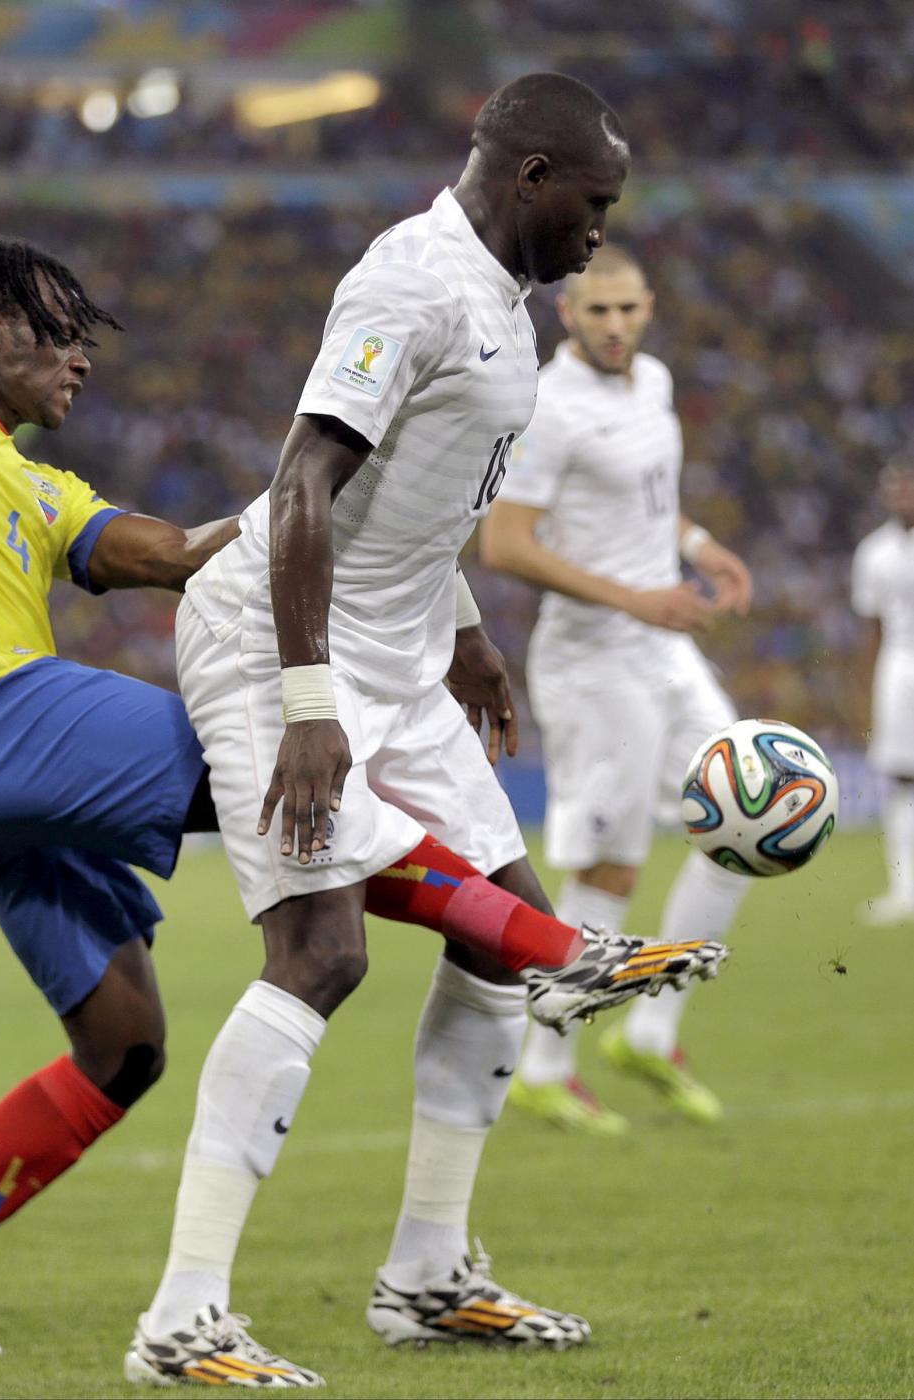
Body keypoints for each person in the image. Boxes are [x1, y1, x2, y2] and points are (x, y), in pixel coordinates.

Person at [0, 234, 656, 1357]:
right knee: (278, 765)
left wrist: (339, 493)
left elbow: (178, 552)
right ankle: (553, 947)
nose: (83, 359)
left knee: (123, 1044)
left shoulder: (42, 488)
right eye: (64, 335)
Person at [127, 74, 727, 1389]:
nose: (600, 232)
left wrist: (460, 629)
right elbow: (303, 484)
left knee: (505, 954)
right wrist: (306, 705)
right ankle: (181, 1315)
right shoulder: (409, 283)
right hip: (277, 640)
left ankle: (427, 1275)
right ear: (531, 177)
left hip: (400, 654)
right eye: (593, 203)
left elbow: (415, 498)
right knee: (320, 952)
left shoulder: (506, 303)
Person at [479, 242, 755, 1134]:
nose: (613, 325)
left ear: (647, 308)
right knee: (610, 863)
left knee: (743, 820)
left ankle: (650, 1031)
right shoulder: (547, 406)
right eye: (596, 310)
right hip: (594, 659)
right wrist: (638, 598)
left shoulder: (654, 383)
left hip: (664, 648)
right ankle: (543, 1068)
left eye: (627, 309)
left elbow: (646, 500)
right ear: (566, 314)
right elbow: (504, 544)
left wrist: (699, 545)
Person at [852, 459, 914, 926]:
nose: (902, 493)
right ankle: (904, 889)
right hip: (899, 665)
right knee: (901, 778)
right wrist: (864, 693)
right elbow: (871, 627)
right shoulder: (874, 552)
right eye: (896, 486)